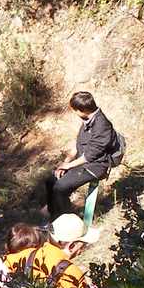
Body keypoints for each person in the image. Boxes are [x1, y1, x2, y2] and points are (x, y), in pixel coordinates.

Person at [0, 215, 97, 288]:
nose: (83, 248)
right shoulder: (72, 272)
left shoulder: (31, 254)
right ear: (72, 246)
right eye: (83, 244)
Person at [44, 91, 118, 219]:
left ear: (82, 110)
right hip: (82, 162)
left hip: (95, 166)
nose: (74, 113)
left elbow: (90, 156)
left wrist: (68, 166)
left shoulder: (102, 126)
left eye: (74, 110)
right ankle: (53, 213)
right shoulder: (88, 119)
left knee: (60, 188)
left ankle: (66, 221)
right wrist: (66, 163)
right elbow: (77, 144)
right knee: (52, 179)